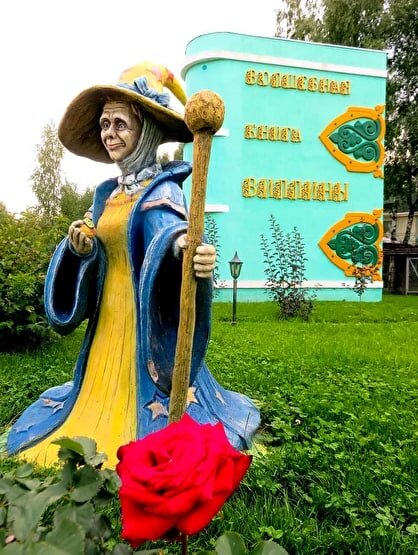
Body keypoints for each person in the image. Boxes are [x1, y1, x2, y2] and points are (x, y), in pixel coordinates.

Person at [7, 62, 260, 467]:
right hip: (108, 319)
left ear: (146, 132)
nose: (109, 133)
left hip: (143, 322)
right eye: (105, 124)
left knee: (143, 399)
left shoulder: (163, 191)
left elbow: (170, 233)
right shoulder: (108, 194)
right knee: (97, 387)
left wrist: (185, 248)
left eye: (120, 124)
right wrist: (82, 247)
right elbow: (100, 243)